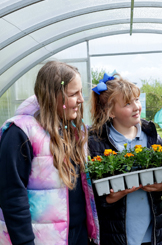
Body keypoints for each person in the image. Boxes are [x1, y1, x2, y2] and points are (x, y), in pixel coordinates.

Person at [0, 61, 100, 245]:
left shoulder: (74, 130)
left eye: (80, 92)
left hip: (78, 236)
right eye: (73, 94)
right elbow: (12, 196)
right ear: (54, 96)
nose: (81, 99)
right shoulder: (20, 133)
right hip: (41, 239)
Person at [88, 73, 162, 245]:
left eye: (136, 99)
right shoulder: (96, 142)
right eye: (128, 103)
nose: (136, 106)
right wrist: (109, 198)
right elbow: (90, 195)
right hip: (117, 236)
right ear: (110, 112)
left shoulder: (151, 136)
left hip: (154, 235)